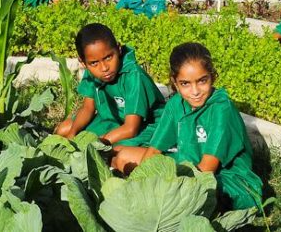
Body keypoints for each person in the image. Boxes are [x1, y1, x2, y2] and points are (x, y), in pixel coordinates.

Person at [112, 43, 263, 211]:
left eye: (202, 81)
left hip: (227, 180)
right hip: (188, 165)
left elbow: (207, 169)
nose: (195, 91)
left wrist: (167, 192)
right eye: (185, 84)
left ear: (213, 77)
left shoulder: (222, 109)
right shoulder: (176, 104)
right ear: (175, 83)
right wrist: (143, 182)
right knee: (123, 156)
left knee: (197, 200)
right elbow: (154, 151)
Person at [54, 23, 165, 152]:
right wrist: (72, 135)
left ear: (118, 49)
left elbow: (131, 128)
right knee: (64, 129)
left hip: (145, 126)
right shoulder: (92, 72)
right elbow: (88, 108)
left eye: (108, 57)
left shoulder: (133, 76)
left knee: (115, 151)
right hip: (112, 121)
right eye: (94, 63)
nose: (104, 68)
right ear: (83, 62)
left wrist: (96, 144)